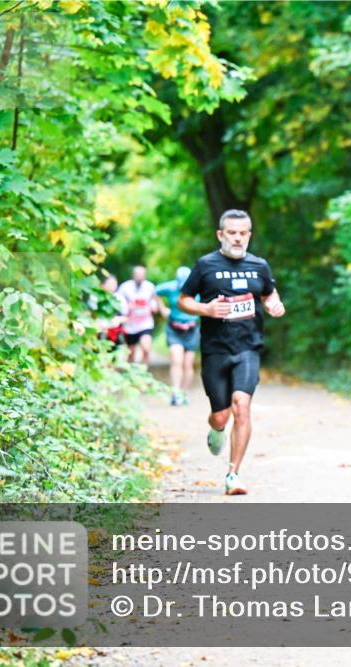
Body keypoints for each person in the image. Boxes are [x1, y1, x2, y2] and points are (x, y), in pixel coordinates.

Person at [178, 209, 285, 495]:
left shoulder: (259, 265)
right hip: (215, 350)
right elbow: (184, 299)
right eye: (232, 233)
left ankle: (233, 474)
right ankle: (215, 429)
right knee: (222, 416)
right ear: (220, 235)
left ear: (249, 235)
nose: (238, 238)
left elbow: (268, 292)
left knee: (242, 405)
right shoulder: (205, 265)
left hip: (248, 347)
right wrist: (206, 309)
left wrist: (274, 303)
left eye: (243, 233)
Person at [156, 266, 201, 406]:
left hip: (191, 329)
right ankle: (175, 393)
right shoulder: (170, 288)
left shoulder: (198, 289)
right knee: (177, 360)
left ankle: (184, 393)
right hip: (174, 328)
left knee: (188, 364)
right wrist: (162, 309)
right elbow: (155, 292)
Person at [116, 265, 161, 367]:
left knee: (146, 348)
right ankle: (131, 374)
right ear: (133, 275)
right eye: (138, 274)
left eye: (142, 275)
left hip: (145, 324)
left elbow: (154, 301)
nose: (140, 277)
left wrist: (154, 307)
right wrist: (127, 307)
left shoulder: (150, 287)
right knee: (131, 353)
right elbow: (118, 302)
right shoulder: (125, 287)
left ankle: (143, 372)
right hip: (129, 325)